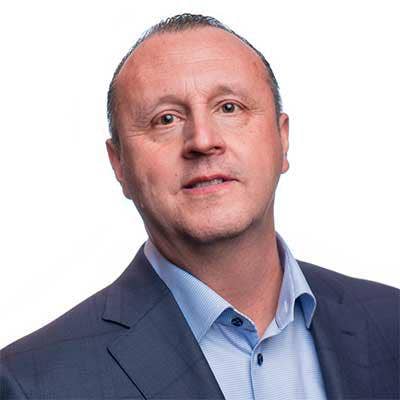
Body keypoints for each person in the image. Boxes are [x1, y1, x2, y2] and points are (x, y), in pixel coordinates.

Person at [1, 13, 398, 400]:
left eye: (229, 107)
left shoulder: (391, 323)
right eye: (165, 119)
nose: (203, 141)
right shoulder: (32, 384)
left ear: (282, 140)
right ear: (119, 164)